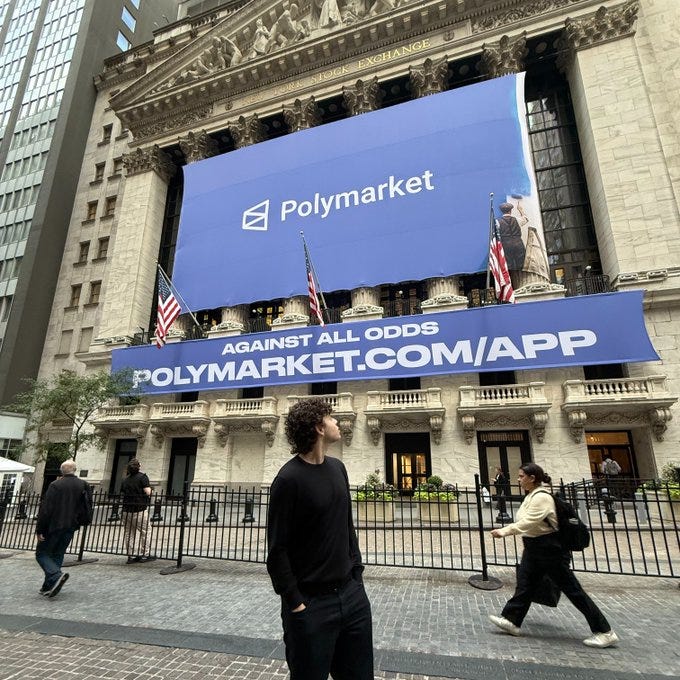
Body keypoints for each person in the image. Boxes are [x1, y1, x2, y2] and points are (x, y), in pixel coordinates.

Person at [266, 398, 373, 679]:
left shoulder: (338, 468)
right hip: (311, 607)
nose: (337, 422)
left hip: (352, 598)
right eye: (331, 418)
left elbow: (347, 529)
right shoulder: (288, 480)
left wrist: (357, 576)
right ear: (318, 427)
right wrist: (296, 605)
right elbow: (277, 551)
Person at [489, 462, 619, 648]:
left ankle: (605, 631)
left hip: (550, 550)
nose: (518, 480)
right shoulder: (532, 495)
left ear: (532, 478)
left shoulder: (541, 497)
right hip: (534, 547)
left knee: (573, 590)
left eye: (521, 476)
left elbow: (529, 522)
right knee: (525, 584)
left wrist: (504, 531)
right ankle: (512, 620)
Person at [35, 459, 92, 597]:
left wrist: (40, 529)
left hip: (53, 526)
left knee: (41, 554)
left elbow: (46, 509)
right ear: (75, 469)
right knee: (58, 553)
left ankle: (55, 575)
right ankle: (48, 585)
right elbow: (88, 506)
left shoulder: (55, 485)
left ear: (61, 471)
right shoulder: (84, 484)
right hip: (71, 525)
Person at [120, 458, 155, 564]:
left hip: (126, 510)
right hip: (139, 509)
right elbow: (148, 492)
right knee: (146, 531)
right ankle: (145, 554)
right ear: (138, 466)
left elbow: (122, 492)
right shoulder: (143, 477)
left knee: (129, 533)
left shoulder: (125, 479)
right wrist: (151, 490)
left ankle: (130, 556)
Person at [497, 202, 526, 271]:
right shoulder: (517, 220)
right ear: (511, 210)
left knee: (509, 265)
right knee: (522, 264)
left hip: (506, 245)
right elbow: (525, 219)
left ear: (501, 211)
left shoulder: (498, 222)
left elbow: (496, 233)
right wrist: (520, 210)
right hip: (518, 243)